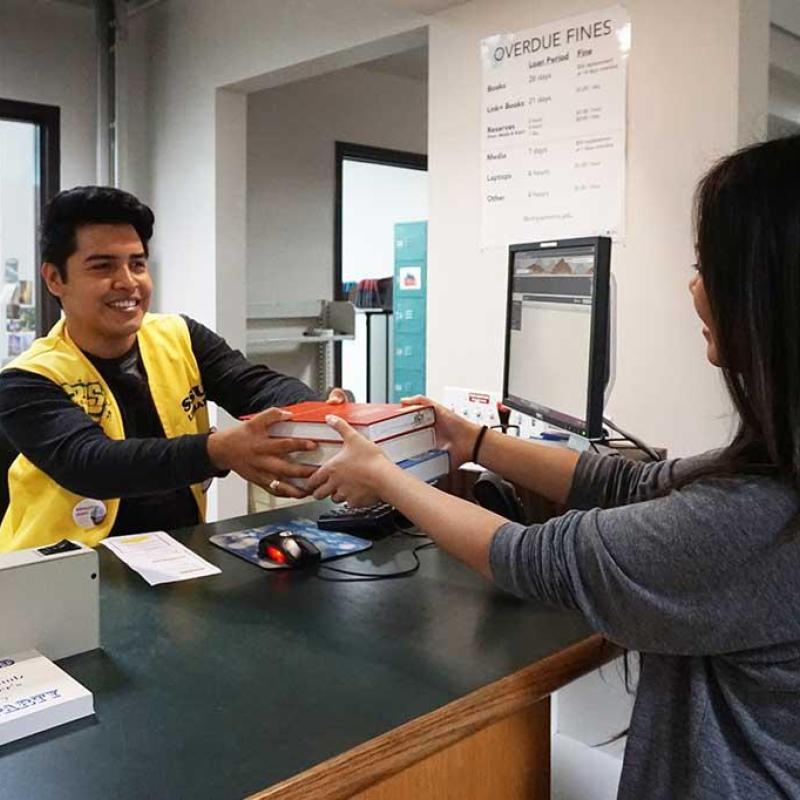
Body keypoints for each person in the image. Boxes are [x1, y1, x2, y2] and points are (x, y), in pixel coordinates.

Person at [307, 134, 800, 798]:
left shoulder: (761, 519)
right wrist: (469, 441)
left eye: (707, 265)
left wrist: (386, 475)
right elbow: (633, 482)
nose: (693, 287)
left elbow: (537, 558)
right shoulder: (776, 469)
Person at [0, 186, 345, 552]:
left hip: (175, 558)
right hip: (55, 576)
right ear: (55, 279)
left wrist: (318, 413)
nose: (128, 282)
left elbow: (255, 386)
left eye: (137, 264)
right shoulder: (27, 379)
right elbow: (90, 463)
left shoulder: (180, 335)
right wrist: (216, 451)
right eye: (103, 266)